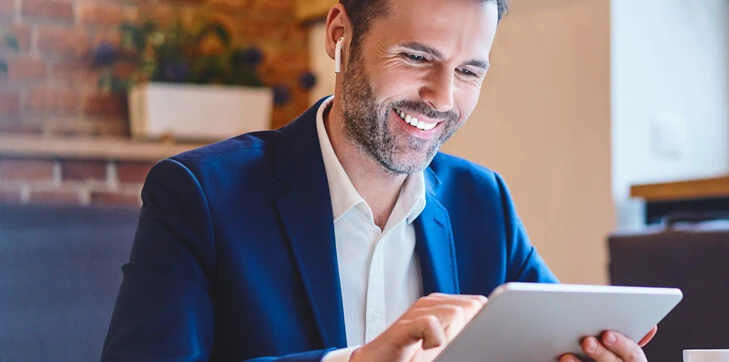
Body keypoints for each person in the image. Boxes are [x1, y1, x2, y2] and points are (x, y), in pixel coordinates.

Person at [100, 0, 654, 361]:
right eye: (416, 57)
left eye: (468, 71)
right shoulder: (200, 194)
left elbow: (553, 338)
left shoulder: (484, 202)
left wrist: (593, 351)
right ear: (339, 33)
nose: (442, 98)